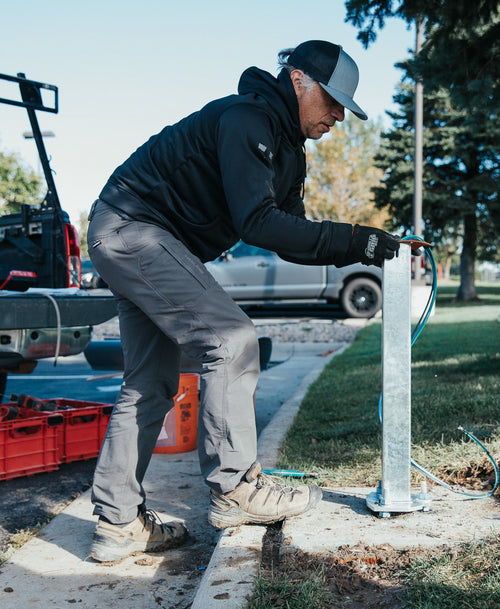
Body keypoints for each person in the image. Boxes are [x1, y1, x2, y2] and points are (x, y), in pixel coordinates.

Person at [87, 39, 399, 563]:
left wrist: (361, 243)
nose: (340, 115)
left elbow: (287, 234)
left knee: (150, 384)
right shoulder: (247, 120)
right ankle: (236, 488)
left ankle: (117, 525)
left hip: (133, 235)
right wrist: (353, 238)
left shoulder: (288, 153)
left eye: (346, 106)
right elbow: (259, 221)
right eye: (333, 99)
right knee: (231, 339)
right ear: (298, 80)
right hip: (133, 227)